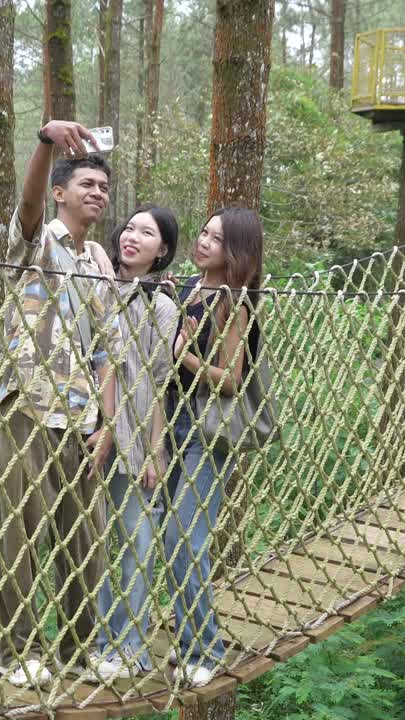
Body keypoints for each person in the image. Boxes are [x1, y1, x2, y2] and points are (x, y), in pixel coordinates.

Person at [0, 120, 121, 689]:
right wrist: (46, 142)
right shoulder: (39, 240)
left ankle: (78, 648)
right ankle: (15, 651)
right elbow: (26, 203)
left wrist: (109, 424)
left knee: (83, 537)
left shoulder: (98, 261)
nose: (97, 193)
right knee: (18, 529)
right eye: (87, 184)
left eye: (104, 187)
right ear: (62, 193)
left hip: (83, 414)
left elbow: (113, 346)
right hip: (29, 403)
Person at [164, 207, 264, 688]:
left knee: (186, 538)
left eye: (217, 239)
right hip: (169, 426)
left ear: (235, 252)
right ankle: (188, 643)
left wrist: (183, 355)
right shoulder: (186, 290)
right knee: (169, 539)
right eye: (203, 232)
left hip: (208, 433)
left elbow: (231, 381)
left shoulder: (232, 303)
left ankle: (206, 649)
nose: (203, 242)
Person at [92, 205, 180, 681]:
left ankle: (129, 648)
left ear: (161, 250)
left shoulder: (161, 306)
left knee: (137, 544)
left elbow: (160, 385)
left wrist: (155, 450)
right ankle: (101, 642)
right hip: (85, 432)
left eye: (147, 233)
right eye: (129, 228)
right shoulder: (97, 288)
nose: (133, 237)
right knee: (95, 547)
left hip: (129, 439)